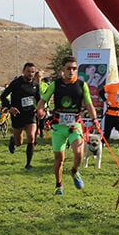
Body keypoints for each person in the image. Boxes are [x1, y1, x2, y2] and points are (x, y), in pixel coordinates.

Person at [36, 56, 100, 196]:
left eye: (74, 68)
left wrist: (94, 118)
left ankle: (74, 171)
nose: (71, 71)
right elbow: (43, 100)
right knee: (59, 159)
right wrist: (40, 110)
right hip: (58, 126)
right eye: (68, 68)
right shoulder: (56, 84)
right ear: (63, 70)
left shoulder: (82, 85)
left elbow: (89, 104)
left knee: (79, 153)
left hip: (75, 124)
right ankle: (59, 185)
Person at [1, 63, 41, 169]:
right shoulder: (16, 83)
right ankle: (13, 139)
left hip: (30, 114)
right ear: (23, 71)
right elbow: (3, 96)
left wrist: (41, 109)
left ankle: (28, 164)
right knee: (19, 143)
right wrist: (10, 108)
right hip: (17, 114)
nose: (30, 74)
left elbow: (39, 99)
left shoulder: (36, 84)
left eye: (32, 72)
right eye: (28, 71)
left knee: (31, 137)